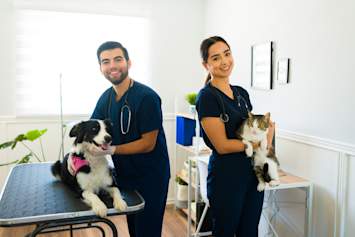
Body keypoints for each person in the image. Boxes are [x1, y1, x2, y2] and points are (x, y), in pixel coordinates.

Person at [87, 41, 170, 237]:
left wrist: (112, 150)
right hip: (125, 175)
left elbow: (148, 144)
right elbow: (92, 130)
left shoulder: (147, 97)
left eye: (118, 59)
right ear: (100, 68)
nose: (112, 66)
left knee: (147, 231)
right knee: (134, 229)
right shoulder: (105, 98)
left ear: (129, 63)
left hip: (151, 177)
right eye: (105, 62)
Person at [196, 36, 275, 237]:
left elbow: (253, 134)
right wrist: (258, 142)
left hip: (252, 175)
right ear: (206, 64)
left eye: (227, 54)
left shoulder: (241, 93)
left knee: (249, 232)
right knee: (225, 232)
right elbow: (222, 145)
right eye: (216, 58)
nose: (224, 61)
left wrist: (267, 135)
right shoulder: (207, 97)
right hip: (227, 178)